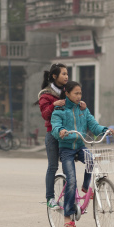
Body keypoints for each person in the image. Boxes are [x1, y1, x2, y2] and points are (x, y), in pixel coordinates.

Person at [51, 81, 114, 227]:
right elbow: (55, 126)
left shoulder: (83, 110)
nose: (79, 96)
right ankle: (68, 216)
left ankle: (86, 187)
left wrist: (105, 129)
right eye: (76, 93)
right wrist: (60, 131)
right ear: (67, 94)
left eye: (80, 93)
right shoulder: (59, 110)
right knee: (71, 180)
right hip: (66, 149)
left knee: (91, 161)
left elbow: (93, 125)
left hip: (80, 146)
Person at [36, 63, 87, 210]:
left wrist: (81, 104)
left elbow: (73, 109)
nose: (66, 76)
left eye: (67, 74)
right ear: (54, 76)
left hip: (69, 136)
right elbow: (45, 115)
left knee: (68, 168)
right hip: (54, 135)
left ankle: (70, 199)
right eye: (63, 74)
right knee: (53, 166)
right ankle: (50, 198)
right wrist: (54, 105)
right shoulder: (45, 94)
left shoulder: (69, 91)